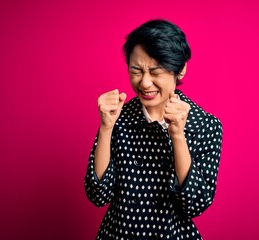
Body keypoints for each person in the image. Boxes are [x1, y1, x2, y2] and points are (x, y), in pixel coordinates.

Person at [84, 19, 223, 240]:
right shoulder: (118, 116)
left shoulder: (205, 125)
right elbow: (98, 195)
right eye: (136, 70)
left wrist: (177, 135)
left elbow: (196, 204)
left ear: (181, 70)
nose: (145, 83)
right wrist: (106, 128)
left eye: (156, 71)